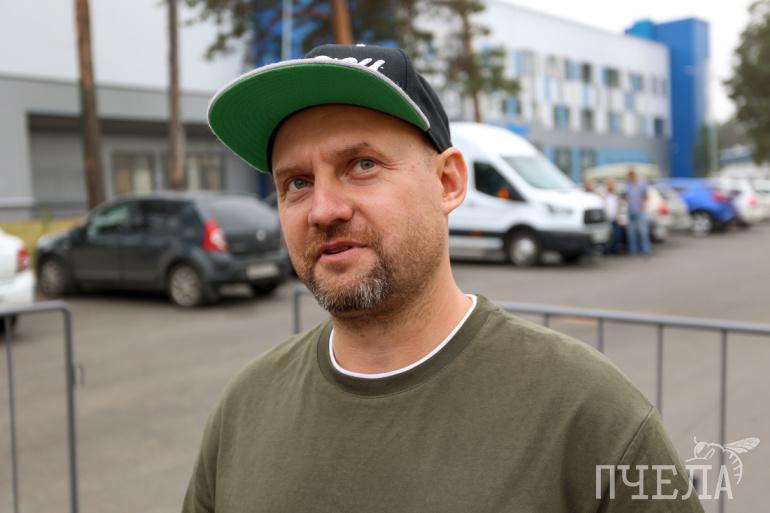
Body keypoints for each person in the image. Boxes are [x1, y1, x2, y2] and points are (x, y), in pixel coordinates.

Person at [183, 44, 702, 512]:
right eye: (297, 182)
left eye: (362, 165)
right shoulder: (243, 410)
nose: (323, 209)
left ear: (448, 182)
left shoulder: (588, 414)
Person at [625, 168, 652, 257]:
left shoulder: (641, 184)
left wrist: (643, 203)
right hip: (631, 211)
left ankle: (646, 251)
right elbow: (626, 196)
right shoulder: (628, 185)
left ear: (634, 175)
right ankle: (633, 251)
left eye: (630, 176)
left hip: (640, 212)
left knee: (643, 232)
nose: (629, 178)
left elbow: (647, 196)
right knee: (631, 233)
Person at [603, 178, 624, 255]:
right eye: (609, 184)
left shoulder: (617, 195)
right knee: (607, 236)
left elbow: (620, 207)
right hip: (606, 219)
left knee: (617, 235)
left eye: (612, 184)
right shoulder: (604, 195)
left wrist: (620, 218)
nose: (611, 186)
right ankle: (607, 250)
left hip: (615, 219)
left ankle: (615, 250)